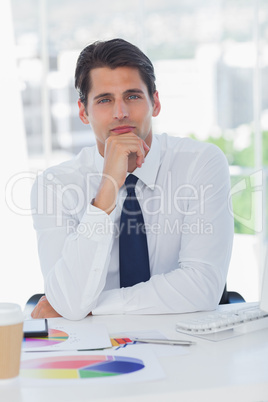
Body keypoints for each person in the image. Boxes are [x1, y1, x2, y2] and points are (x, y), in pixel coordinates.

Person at [31, 38, 234, 320]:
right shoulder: (54, 186)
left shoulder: (201, 163)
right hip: (95, 350)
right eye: (104, 100)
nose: (120, 113)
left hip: (186, 344)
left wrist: (93, 307)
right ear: (83, 112)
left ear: (156, 102)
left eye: (133, 96)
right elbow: (68, 298)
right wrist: (107, 190)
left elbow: (203, 287)